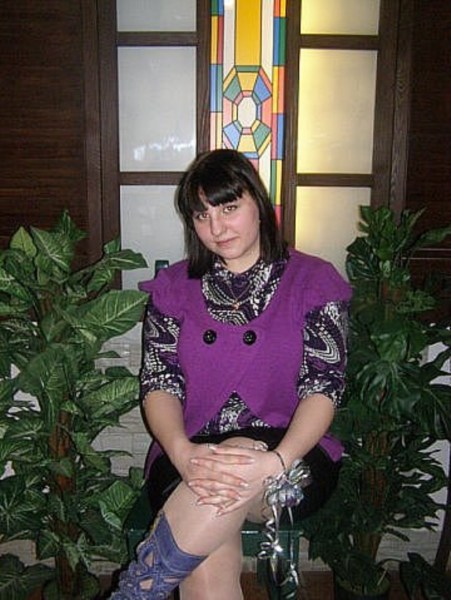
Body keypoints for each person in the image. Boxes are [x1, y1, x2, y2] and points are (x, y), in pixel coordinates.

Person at [110, 149, 351, 600]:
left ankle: (137, 589)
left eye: (229, 208)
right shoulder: (173, 288)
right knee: (206, 549)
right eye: (202, 215)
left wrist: (276, 461)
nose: (216, 228)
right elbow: (159, 383)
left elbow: (324, 387)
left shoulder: (313, 281)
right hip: (190, 452)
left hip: (290, 453)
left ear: (259, 204)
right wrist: (181, 452)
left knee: (231, 467)